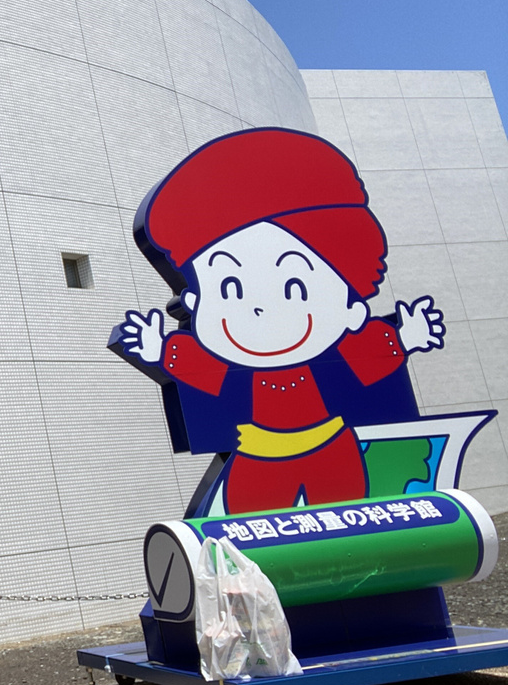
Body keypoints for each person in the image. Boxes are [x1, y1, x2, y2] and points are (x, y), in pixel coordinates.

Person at [116, 128, 444, 513]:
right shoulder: (234, 371)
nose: (260, 310)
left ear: (351, 305)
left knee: (348, 515)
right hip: (257, 455)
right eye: (231, 288)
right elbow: (206, 370)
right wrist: (162, 350)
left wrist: (404, 339)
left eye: (294, 287)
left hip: (333, 447)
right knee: (247, 524)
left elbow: (362, 358)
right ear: (193, 301)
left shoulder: (334, 356)